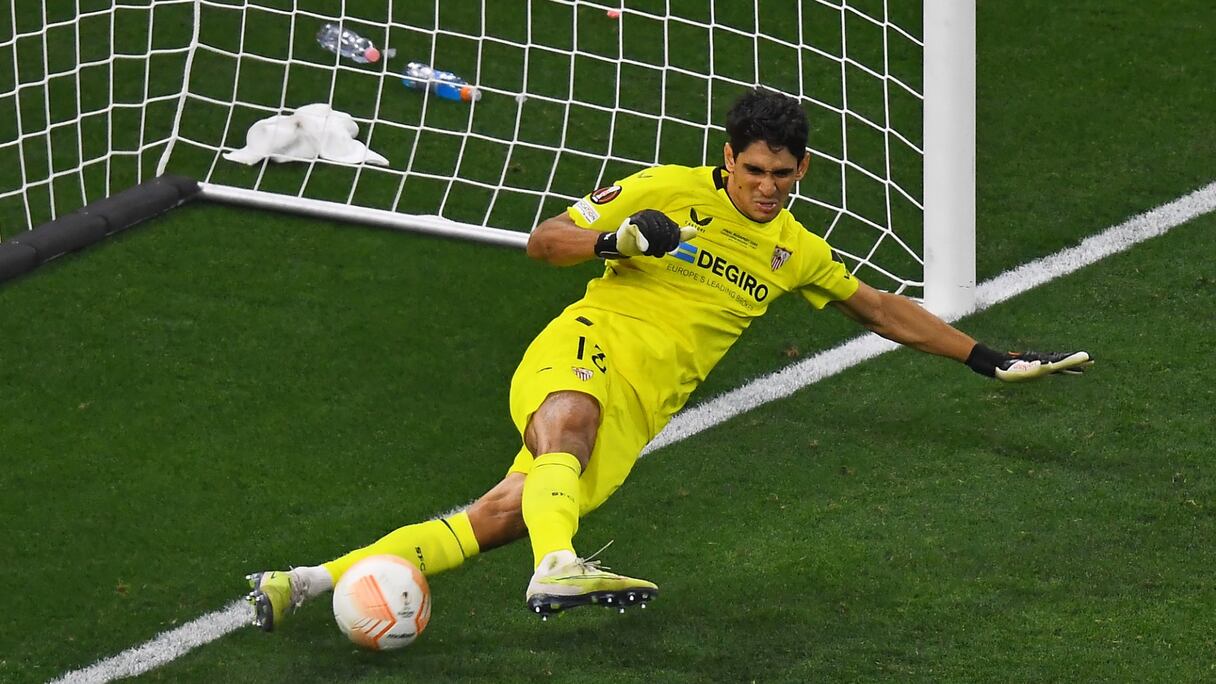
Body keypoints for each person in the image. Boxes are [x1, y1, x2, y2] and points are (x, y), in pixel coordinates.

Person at [245, 88, 1092, 630]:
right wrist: (615, 238)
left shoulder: (792, 250)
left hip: (644, 410)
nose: (769, 188)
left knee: (501, 511)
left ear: (802, 171)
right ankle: (556, 570)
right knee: (564, 426)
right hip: (586, 349)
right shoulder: (661, 189)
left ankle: (306, 582)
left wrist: (988, 359)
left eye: (784, 176)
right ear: (728, 158)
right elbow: (544, 243)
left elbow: (880, 310)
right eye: (756, 170)